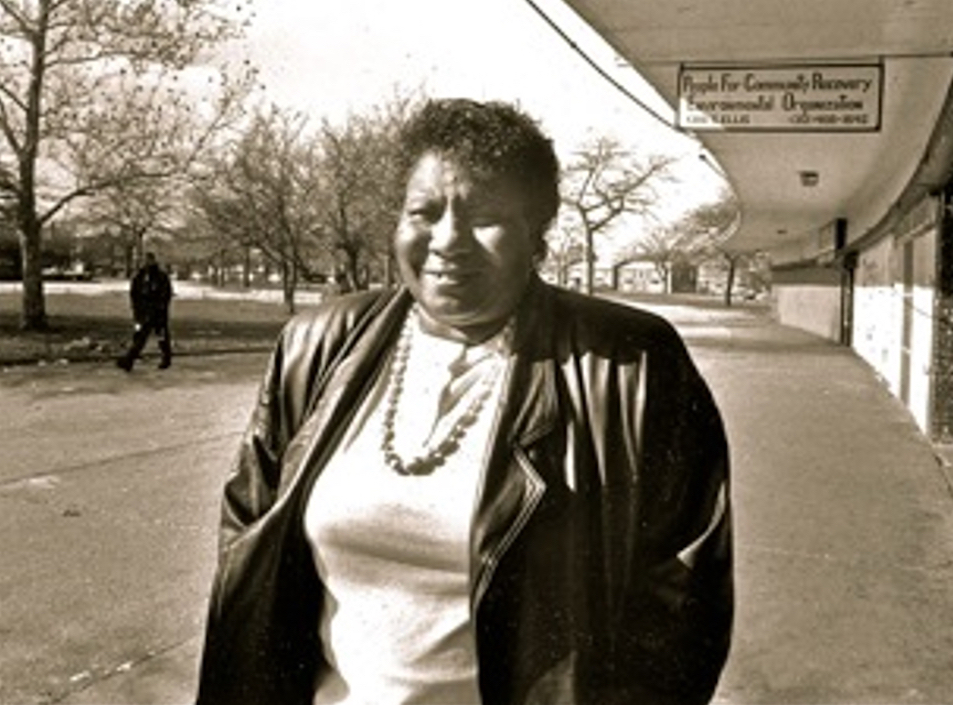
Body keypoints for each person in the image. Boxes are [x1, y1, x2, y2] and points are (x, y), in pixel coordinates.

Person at [196, 98, 733, 705]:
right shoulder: (316, 347)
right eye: (423, 211)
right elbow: (248, 548)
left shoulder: (631, 363)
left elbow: (683, 604)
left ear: (538, 237)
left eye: (485, 216)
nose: (448, 240)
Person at [117, 252, 172, 371]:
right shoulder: (140, 276)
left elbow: (165, 294)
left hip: (157, 313)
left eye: (148, 260)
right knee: (140, 336)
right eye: (144, 260)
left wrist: (160, 308)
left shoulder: (160, 277)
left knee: (161, 336)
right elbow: (134, 294)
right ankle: (129, 360)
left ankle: (166, 357)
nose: (145, 263)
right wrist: (137, 309)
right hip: (144, 312)